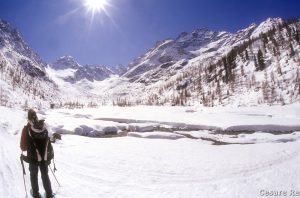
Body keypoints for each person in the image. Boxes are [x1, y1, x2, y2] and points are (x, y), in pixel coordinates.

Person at [20, 109, 54, 198]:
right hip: (44, 157)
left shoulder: (26, 128)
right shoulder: (43, 126)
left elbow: (23, 147)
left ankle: (35, 194)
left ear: (28, 117)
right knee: (45, 174)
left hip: (33, 158)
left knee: (33, 175)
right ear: (36, 116)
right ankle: (49, 194)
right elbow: (48, 140)